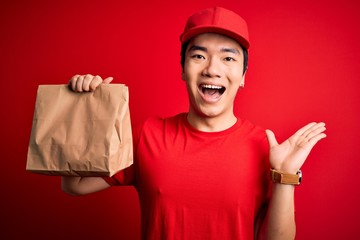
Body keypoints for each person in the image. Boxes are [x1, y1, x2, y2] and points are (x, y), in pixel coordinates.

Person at [62, 6, 326, 240]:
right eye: (199, 56)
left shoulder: (265, 149)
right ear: (182, 70)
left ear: (243, 75)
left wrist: (285, 176)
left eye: (228, 58)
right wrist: (83, 110)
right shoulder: (147, 135)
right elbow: (74, 185)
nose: (212, 68)